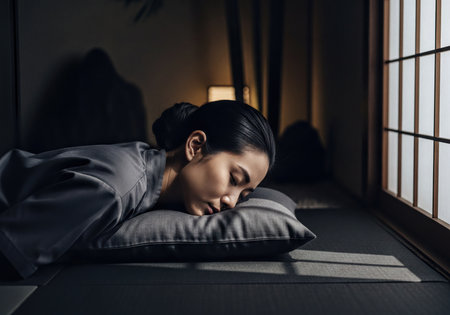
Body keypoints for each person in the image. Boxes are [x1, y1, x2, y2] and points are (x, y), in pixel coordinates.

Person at [0, 100, 276, 279]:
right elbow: (8, 254)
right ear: (195, 146)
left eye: (244, 195)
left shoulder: (147, 165)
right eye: (234, 178)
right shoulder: (113, 190)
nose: (232, 201)